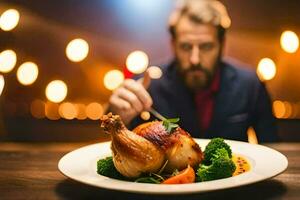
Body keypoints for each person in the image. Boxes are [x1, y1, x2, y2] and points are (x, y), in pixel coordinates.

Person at [108, 0, 279, 142]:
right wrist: (116, 117)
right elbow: (119, 145)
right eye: (186, 47)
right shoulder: (147, 84)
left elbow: (272, 148)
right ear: (173, 45)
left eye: (206, 47)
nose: (195, 59)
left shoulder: (250, 84)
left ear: (221, 45)